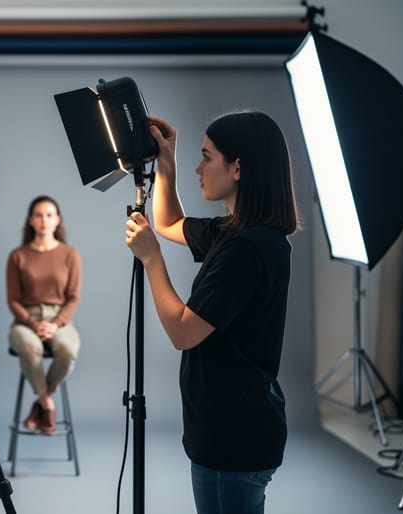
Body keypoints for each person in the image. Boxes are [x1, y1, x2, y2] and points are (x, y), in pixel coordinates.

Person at [124, 111, 299, 514]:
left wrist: (153, 262)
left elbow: (183, 333)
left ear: (237, 167)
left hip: (232, 440)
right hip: (238, 430)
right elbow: (169, 223)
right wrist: (167, 161)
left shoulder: (245, 250)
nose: (199, 168)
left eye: (207, 157)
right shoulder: (240, 233)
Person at [6, 195, 82, 435]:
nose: (44, 220)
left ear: (57, 220)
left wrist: (55, 324)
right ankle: (48, 405)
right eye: (38, 215)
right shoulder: (17, 256)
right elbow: (13, 300)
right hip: (25, 320)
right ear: (30, 220)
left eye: (49, 215)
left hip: (60, 318)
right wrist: (32, 323)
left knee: (68, 352)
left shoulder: (70, 255)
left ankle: (40, 401)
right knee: (29, 348)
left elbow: (73, 298)